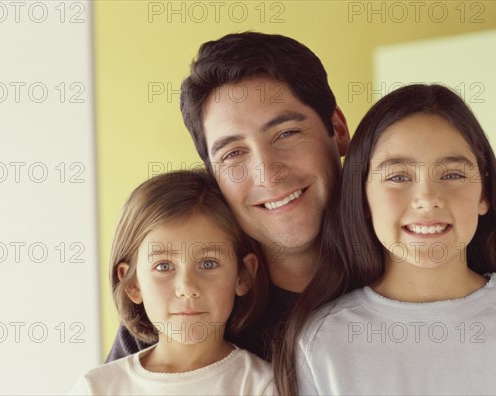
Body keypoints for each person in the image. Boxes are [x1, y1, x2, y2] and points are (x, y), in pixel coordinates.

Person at [106, 31, 355, 363]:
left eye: (287, 133)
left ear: (338, 130)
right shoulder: (182, 310)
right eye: (233, 153)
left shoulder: (406, 271)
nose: (267, 172)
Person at [286, 84, 496, 395]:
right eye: (398, 177)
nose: (427, 199)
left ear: (485, 193)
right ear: (362, 197)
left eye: (452, 175)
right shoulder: (322, 339)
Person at [70, 170, 275, 395]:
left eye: (208, 264)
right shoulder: (97, 387)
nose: (187, 288)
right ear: (133, 284)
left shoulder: (262, 385)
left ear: (242, 276)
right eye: (164, 267)